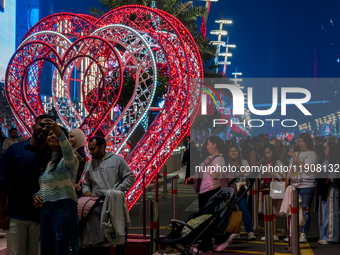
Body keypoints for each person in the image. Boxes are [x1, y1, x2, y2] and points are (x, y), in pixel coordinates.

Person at [0, 115, 49, 255]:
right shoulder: (15, 150)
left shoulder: (51, 154)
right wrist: (2, 212)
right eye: (41, 125)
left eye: (48, 127)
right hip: (16, 214)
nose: (44, 129)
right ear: (33, 126)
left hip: (40, 216)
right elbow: (2, 182)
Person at [81, 136, 135, 255]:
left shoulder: (117, 160)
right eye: (89, 149)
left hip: (115, 204)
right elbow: (86, 184)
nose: (90, 152)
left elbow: (130, 177)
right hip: (97, 206)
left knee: (120, 234)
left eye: (93, 149)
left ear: (102, 147)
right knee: (101, 238)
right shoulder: (89, 165)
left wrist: (116, 191)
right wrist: (86, 192)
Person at [33, 119, 79, 255]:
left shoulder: (70, 159)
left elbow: (67, 150)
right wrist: (36, 195)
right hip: (46, 209)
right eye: (49, 134)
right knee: (47, 248)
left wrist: (59, 132)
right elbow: (44, 185)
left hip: (63, 207)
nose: (51, 136)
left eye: (55, 134)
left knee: (64, 247)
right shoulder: (45, 162)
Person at [185, 136, 225, 253]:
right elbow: (201, 171)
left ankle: (215, 241)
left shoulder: (219, 159)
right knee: (205, 219)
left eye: (208, 144)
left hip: (211, 192)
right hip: (203, 192)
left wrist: (208, 164)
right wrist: (191, 177)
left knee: (205, 219)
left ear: (215, 144)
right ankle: (210, 243)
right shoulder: (209, 158)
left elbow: (214, 175)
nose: (206, 146)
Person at [285, 133, 318, 243]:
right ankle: (293, 233)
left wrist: (295, 158)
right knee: (293, 210)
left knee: (305, 210)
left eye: (303, 141)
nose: (301, 143)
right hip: (295, 185)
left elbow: (308, 168)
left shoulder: (312, 154)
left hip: (307, 186)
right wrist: (286, 184)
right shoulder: (296, 153)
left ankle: (304, 233)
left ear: (308, 142)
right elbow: (290, 170)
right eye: (299, 141)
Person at [221, 145, 256, 241]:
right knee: (232, 212)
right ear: (228, 153)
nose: (233, 153)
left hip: (241, 189)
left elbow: (249, 174)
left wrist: (239, 167)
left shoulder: (243, 162)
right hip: (230, 191)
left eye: (235, 151)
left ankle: (250, 232)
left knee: (244, 210)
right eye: (231, 151)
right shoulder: (226, 164)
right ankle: (235, 232)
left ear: (238, 152)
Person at [260, 144, 284, 241]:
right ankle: (268, 233)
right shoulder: (265, 162)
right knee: (267, 212)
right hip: (265, 187)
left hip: (273, 187)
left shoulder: (277, 162)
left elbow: (281, 175)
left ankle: (274, 234)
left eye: (269, 152)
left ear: (273, 152)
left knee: (272, 211)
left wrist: (269, 171)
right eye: (266, 153)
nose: (267, 154)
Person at [317, 142, 340, 245]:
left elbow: (333, 177)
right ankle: (324, 235)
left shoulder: (334, 162)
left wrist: (321, 173)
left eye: (327, 148)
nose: (325, 150)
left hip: (331, 190)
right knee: (323, 214)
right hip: (323, 189)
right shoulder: (324, 160)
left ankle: (330, 236)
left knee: (330, 214)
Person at [69, 128, 87, 194]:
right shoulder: (80, 152)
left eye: (71, 137)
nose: (69, 139)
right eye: (68, 137)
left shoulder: (76, 154)